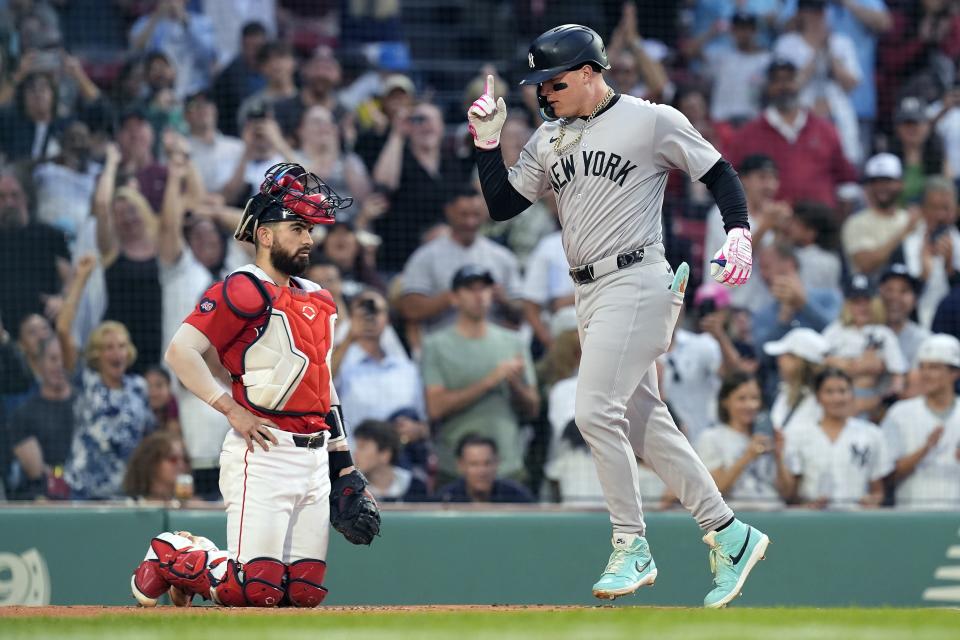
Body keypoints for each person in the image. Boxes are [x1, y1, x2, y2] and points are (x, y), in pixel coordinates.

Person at [468, 24, 769, 607]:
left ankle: (631, 543)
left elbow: (719, 173)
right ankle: (730, 534)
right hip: (590, 293)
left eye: (553, 82)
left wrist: (739, 233)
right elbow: (503, 207)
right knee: (643, 423)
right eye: (538, 85)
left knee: (593, 411)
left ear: (588, 73)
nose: (544, 94)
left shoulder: (651, 118)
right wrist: (486, 143)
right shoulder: (550, 137)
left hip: (637, 277)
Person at [131, 163, 379, 609]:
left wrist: (342, 460)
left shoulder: (319, 297)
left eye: (310, 230)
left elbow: (324, 384)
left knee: (302, 594)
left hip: (313, 455)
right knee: (254, 589)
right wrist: (229, 408)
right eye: (297, 228)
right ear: (265, 235)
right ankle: (174, 553)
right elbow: (180, 353)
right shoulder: (243, 288)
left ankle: (192, 563)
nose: (308, 239)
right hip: (262, 452)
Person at [421, 265, 539, 485]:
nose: (479, 296)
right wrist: (490, 381)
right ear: (454, 298)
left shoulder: (514, 342)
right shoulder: (435, 345)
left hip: (508, 466)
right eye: (470, 289)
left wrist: (514, 384)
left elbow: (533, 408)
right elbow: (435, 407)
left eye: (484, 289)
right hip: (455, 470)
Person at [725, 59, 856, 208]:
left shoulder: (825, 130)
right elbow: (730, 182)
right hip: (769, 225)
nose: (784, 86)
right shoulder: (747, 135)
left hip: (819, 224)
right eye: (777, 80)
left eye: (789, 79)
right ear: (768, 86)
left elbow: (846, 179)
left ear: (798, 83)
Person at [398, 185, 524, 334]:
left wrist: (503, 300)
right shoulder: (426, 256)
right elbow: (410, 310)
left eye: (476, 215)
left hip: (493, 347)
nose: (470, 222)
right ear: (449, 212)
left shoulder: (502, 257)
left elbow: (522, 312)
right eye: (464, 215)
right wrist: (454, 296)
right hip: (444, 347)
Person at [780, 368, 892, 509]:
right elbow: (791, 493)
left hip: (857, 518)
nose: (837, 398)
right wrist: (807, 505)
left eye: (843, 391)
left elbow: (878, 490)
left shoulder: (872, 434)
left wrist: (872, 501)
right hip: (812, 520)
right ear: (818, 397)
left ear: (852, 394)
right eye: (829, 392)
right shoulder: (798, 434)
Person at [882, 334, 960, 510]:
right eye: (922, 367)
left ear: (954, 372)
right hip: (912, 518)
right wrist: (925, 449)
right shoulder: (899, 413)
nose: (925, 374)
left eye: (934, 368)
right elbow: (887, 476)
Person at [332, 290, 424, 435]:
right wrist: (349, 337)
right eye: (363, 311)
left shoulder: (406, 369)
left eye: (377, 311)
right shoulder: (341, 363)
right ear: (351, 317)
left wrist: (417, 430)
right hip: (354, 454)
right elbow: (322, 382)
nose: (371, 317)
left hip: (398, 455)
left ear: (387, 318)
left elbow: (424, 422)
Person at [695, 373, 788, 510]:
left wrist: (779, 456)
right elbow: (716, 490)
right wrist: (747, 456)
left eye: (754, 398)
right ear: (725, 401)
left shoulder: (768, 437)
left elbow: (788, 494)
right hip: (736, 517)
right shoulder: (711, 438)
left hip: (774, 513)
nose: (750, 405)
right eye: (741, 399)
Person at [822, 275, 909, 420]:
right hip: (833, 394)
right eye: (856, 302)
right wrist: (853, 366)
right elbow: (819, 360)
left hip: (867, 396)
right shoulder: (834, 330)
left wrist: (880, 401)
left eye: (867, 301)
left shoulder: (883, 333)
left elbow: (898, 377)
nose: (862, 308)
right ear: (847, 305)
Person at [0, 171, 70, 332]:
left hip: (44, 328)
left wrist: (62, 299)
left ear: (26, 197)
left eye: (14, 195)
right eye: (2, 197)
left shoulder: (50, 235)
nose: (9, 202)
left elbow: (70, 278)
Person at [7, 337, 74, 500]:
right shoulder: (23, 414)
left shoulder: (88, 404)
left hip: (92, 497)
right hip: (43, 498)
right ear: (39, 364)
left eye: (63, 358)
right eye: (53, 359)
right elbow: (36, 471)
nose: (59, 365)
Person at [841, 153, 915, 280]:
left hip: (908, 292)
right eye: (876, 182)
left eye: (887, 181)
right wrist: (904, 233)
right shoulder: (856, 223)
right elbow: (865, 264)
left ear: (900, 184)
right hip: (868, 293)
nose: (881, 187)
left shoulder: (910, 218)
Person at [901, 177, 960, 328]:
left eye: (946, 208)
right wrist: (923, 277)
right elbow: (895, 298)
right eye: (934, 208)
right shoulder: (906, 246)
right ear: (923, 209)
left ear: (956, 210)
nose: (940, 215)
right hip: (914, 327)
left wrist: (950, 270)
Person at [762, 328, 828, 431]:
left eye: (786, 355)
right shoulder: (786, 391)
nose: (779, 360)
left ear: (799, 361)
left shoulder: (817, 402)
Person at [436, 434, 534, 504]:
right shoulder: (445, 499)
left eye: (487, 463)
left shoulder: (517, 497)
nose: (482, 471)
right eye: (474, 464)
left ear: (497, 463)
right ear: (461, 466)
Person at [352, 420, 428, 502]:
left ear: (385, 454)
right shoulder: (351, 491)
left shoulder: (416, 486)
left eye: (362, 447)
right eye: (356, 447)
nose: (355, 453)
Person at [879, 263, 930, 365]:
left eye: (903, 291)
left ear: (915, 300)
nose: (895, 297)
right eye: (889, 290)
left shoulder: (924, 340)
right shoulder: (865, 331)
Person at [122, 431, 189, 501]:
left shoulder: (192, 507)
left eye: (185, 460)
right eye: (173, 459)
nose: (181, 465)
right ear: (152, 463)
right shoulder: (130, 506)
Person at [144, 366, 180, 437]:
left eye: (159, 385)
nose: (153, 392)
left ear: (169, 387)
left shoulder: (177, 409)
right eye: (148, 386)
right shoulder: (141, 410)